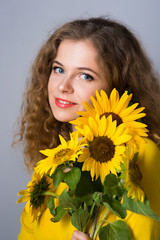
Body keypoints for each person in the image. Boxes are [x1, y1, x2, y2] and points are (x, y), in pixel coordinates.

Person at [15, 17, 160, 240]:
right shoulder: (50, 163)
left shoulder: (140, 154)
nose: (63, 86)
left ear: (117, 86)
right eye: (59, 69)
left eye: (85, 75)